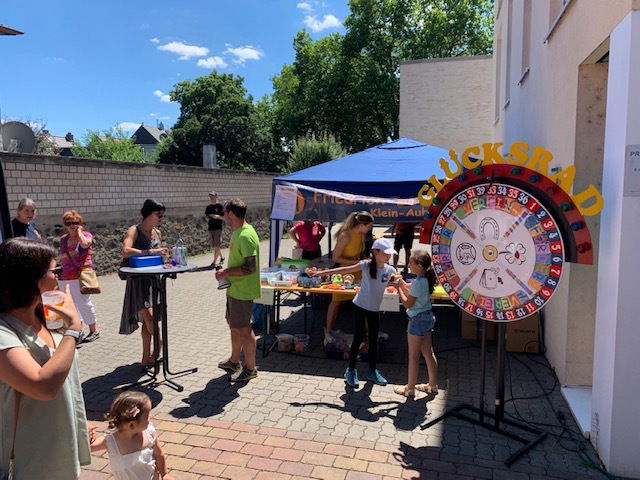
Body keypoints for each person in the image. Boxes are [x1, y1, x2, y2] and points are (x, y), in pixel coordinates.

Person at [0, 238, 94, 479]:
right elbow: (43, 386)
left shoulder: (45, 318)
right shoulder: (3, 332)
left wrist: (77, 422)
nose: (59, 277)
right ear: (33, 279)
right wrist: (74, 329)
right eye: (55, 271)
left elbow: (66, 380)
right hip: (28, 462)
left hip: (58, 450)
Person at [312, 238, 399, 388]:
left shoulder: (390, 270)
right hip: (360, 306)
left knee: (373, 340)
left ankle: (372, 371)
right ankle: (351, 371)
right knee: (358, 338)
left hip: (374, 309)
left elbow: (396, 281)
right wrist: (324, 272)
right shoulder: (365, 265)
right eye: (386, 254)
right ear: (375, 252)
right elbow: (344, 270)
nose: (388, 257)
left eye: (390, 254)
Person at [215, 198, 260, 382]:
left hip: (243, 291)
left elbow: (250, 268)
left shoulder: (246, 235)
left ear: (231, 213)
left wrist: (225, 271)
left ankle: (250, 368)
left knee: (243, 328)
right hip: (235, 289)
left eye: (225, 212)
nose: (224, 216)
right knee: (233, 323)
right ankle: (234, 361)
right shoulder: (237, 232)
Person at [120, 199, 170, 367]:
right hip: (138, 282)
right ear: (148, 214)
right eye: (159, 215)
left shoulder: (158, 232)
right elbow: (125, 251)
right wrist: (150, 251)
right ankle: (159, 346)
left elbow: (158, 254)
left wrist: (164, 256)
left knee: (148, 319)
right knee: (149, 317)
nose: (161, 218)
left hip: (154, 281)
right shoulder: (134, 230)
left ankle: (145, 357)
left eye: (163, 215)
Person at [90, 391, 174, 480]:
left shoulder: (149, 432)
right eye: (147, 416)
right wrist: (87, 435)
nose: (151, 416)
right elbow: (87, 449)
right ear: (132, 425)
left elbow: (158, 454)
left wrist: (164, 474)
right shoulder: (110, 441)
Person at [394, 250, 439, 397]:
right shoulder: (424, 280)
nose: (408, 265)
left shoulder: (419, 282)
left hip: (417, 321)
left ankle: (410, 389)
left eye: (410, 263)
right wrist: (402, 283)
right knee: (428, 353)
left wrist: (398, 288)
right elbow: (412, 289)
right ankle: (432, 385)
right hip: (427, 318)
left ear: (419, 265)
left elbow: (407, 303)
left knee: (413, 356)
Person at [325, 211, 374, 336]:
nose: (370, 229)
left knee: (365, 301)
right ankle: (328, 331)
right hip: (344, 273)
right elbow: (336, 258)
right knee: (336, 302)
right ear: (362, 224)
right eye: (369, 227)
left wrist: (367, 259)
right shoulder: (346, 235)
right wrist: (355, 261)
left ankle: (370, 332)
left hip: (358, 271)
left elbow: (360, 253)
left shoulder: (361, 234)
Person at [58, 210, 100, 343]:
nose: (72, 225)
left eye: (76, 223)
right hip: (65, 276)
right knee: (72, 305)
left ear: (80, 224)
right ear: (65, 225)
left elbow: (85, 244)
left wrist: (80, 232)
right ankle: (78, 330)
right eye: (69, 223)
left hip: (80, 275)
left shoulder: (86, 235)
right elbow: (63, 257)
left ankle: (94, 330)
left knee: (84, 304)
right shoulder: (63, 239)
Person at [205, 191, 225, 266]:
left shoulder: (220, 206)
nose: (211, 198)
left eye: (213, 196)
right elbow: (206, 217)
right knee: (215, 246)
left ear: (216, 197)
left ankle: (214, 262)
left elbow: (224, 217)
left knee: (217, 245)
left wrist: (218, 217)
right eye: (210, 197)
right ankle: (222, 257)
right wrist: (209, 217)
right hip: (211, 228)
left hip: (218, 228)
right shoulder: (208, 207)